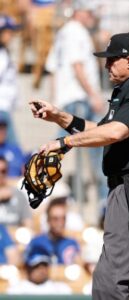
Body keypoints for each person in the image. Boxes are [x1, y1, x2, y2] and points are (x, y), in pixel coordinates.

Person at [29, 32, 129, 299]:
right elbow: (103, 128)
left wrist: (65, 143)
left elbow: (115, 133)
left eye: (112, 60)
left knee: (109, 280)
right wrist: (59, 116)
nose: (106, 65)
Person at [45, 0, 107, 204]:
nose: (92, 17)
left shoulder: (64, 32)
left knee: (58, 148)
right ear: (80, 12)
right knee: (99, 144)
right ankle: (103, 199)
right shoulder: (75, 32)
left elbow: (53, 67)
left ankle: (43, 184)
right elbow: (77, 66)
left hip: (67, 98)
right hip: (78, 99)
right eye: (90, 13)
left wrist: (55, 101)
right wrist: (93, 95)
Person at [25, 198, 81, 265]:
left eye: (63, 218)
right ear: (48, 220)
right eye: (55, 219)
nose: (60, 223)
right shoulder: (37, 243)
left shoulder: (71, 243)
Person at [7, 252, 72, 295]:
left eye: (45, 266)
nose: (42, 270)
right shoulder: (16, 291)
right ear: (28, 268)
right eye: (36, 266)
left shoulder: (61, 290)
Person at [0, 14, 21, 145]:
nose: (12, 35)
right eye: (8, 31)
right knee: (14, 151)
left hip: (5, 108)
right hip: (1, 109)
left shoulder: (5, 53)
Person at [0, 157, 32, 228]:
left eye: (3, 171)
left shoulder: (18, 195)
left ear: (7, 172)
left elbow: (28, 224)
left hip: (13, 236)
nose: (0, 174)